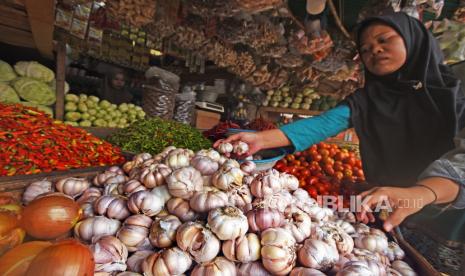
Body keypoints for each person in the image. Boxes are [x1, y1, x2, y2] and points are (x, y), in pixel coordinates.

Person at [216, 12, 465, 274]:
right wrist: (261, 139)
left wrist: (421, 194)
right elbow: (323, 124)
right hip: (391, 210)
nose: (375, 50)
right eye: (366, 49)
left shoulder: (456, 93)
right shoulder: (369, 99)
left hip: (450, 216)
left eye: (385, 39)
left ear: (415, 40)